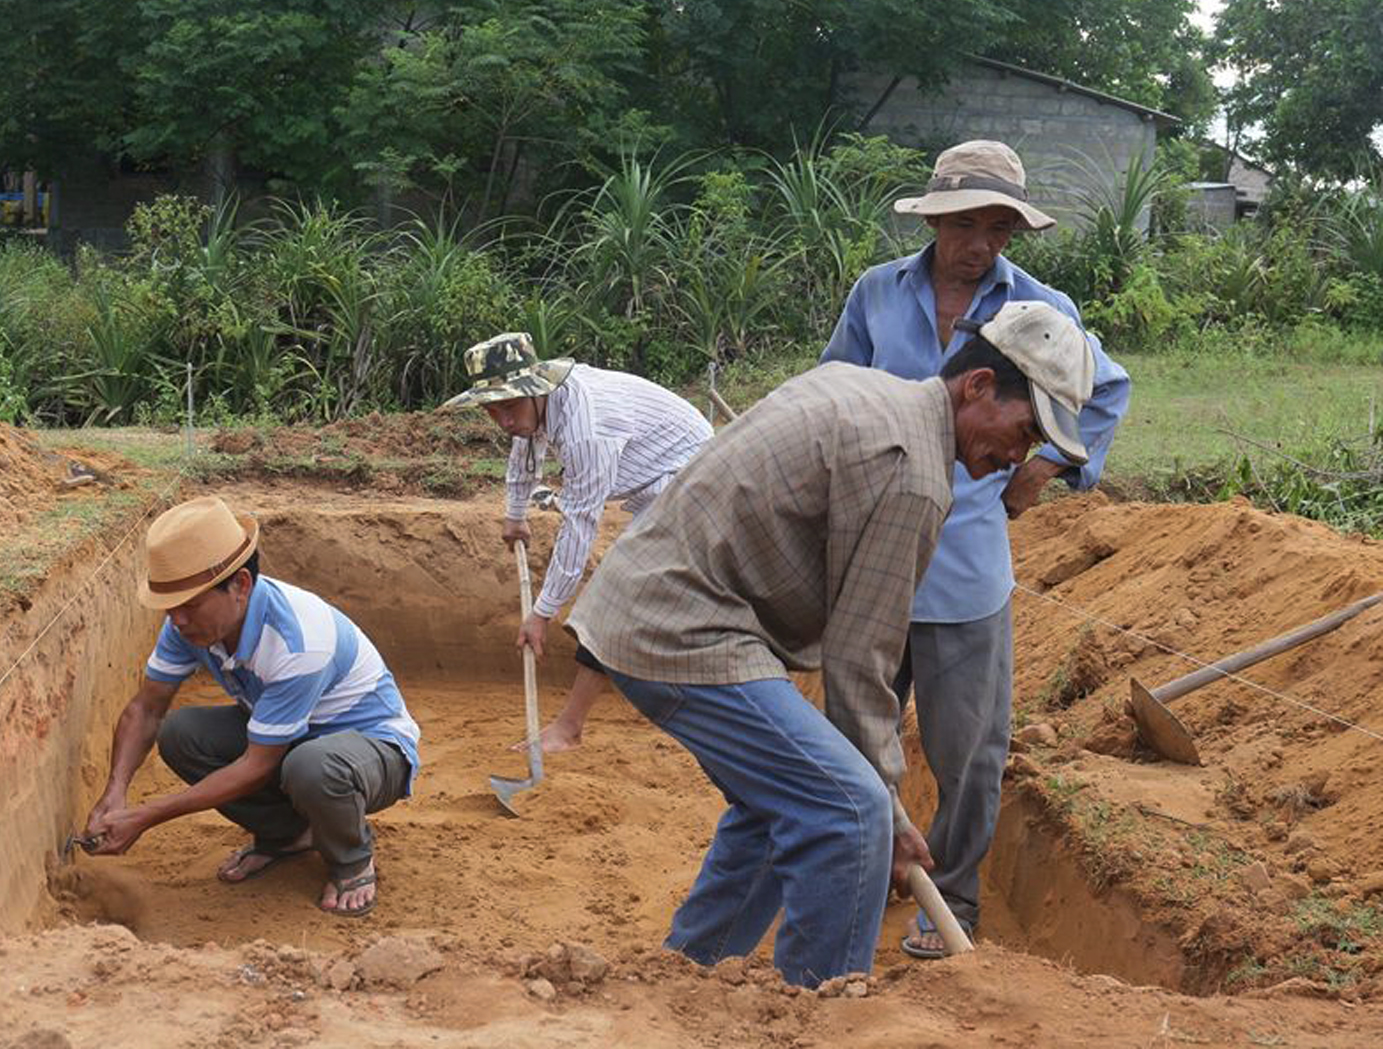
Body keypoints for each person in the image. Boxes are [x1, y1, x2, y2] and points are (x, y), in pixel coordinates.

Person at [567, 301, 1096, 988]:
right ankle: (821, 1010)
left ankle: (685, 984)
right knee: (845, 814)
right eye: (1024, 431)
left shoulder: (873, 391)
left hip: (661, 605)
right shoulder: (913, 473)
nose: (1017, 458)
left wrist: (887, 800)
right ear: (977, 387)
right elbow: (860, 658)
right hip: (682, 626)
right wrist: (884, 808)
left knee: (784, 801)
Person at [822, 139, 1131, 958]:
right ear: (936, 220)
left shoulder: (1039, 308)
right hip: (871, 559)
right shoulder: (876, 295)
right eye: (966, 223)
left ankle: (948, 901)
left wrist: (1046, 465)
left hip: (964, 567)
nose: (980, 243)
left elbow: (1110, 387)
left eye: (998, 227)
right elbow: (836, 390)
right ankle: (853, 880)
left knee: (969, 756)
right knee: (852, 739)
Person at [82, 495, 421, 917]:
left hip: (374, 751)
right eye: (171, 608)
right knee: (180, 734)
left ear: (240, 586)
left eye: (189, 604)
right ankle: (288, 836)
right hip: (295, 741)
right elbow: (146, 710)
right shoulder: (188, 626)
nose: (178, 620)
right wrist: (116, 791)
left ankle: (352, 858)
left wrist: (146, 816)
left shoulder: (297, 641)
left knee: (313, 768)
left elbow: (259, 765)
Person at [439, 331, 713, 753]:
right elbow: (524, 447)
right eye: (493, 412)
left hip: (693, 484)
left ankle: (569, 729)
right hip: (654, 488)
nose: (505, 421)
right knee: (641, 597)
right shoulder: (539, 408)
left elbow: (581, 523)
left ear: (536, 390)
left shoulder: (588, 428)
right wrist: (515, 516)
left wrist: (542, 613)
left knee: (616, 595)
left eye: (510, 406)